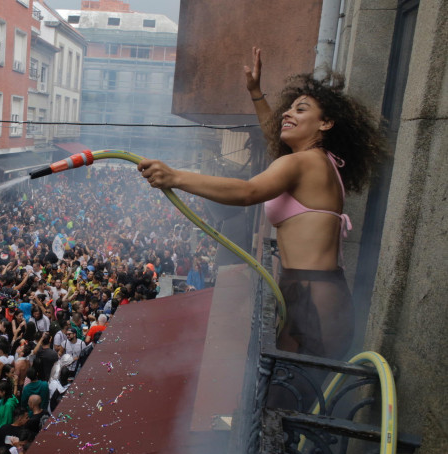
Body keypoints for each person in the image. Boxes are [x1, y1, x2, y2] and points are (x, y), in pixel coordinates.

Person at [138, 47, 383, 361]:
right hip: (317, 296)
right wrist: (256, 93)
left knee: (282, 397)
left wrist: (175, 177)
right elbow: (275, 136)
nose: (287, 114)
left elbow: (247, 192)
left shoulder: (305, 162)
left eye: (301, 110)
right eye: (288, 109)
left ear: (325, 124)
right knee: (287, 393)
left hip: (313, 301)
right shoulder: (320, 161)